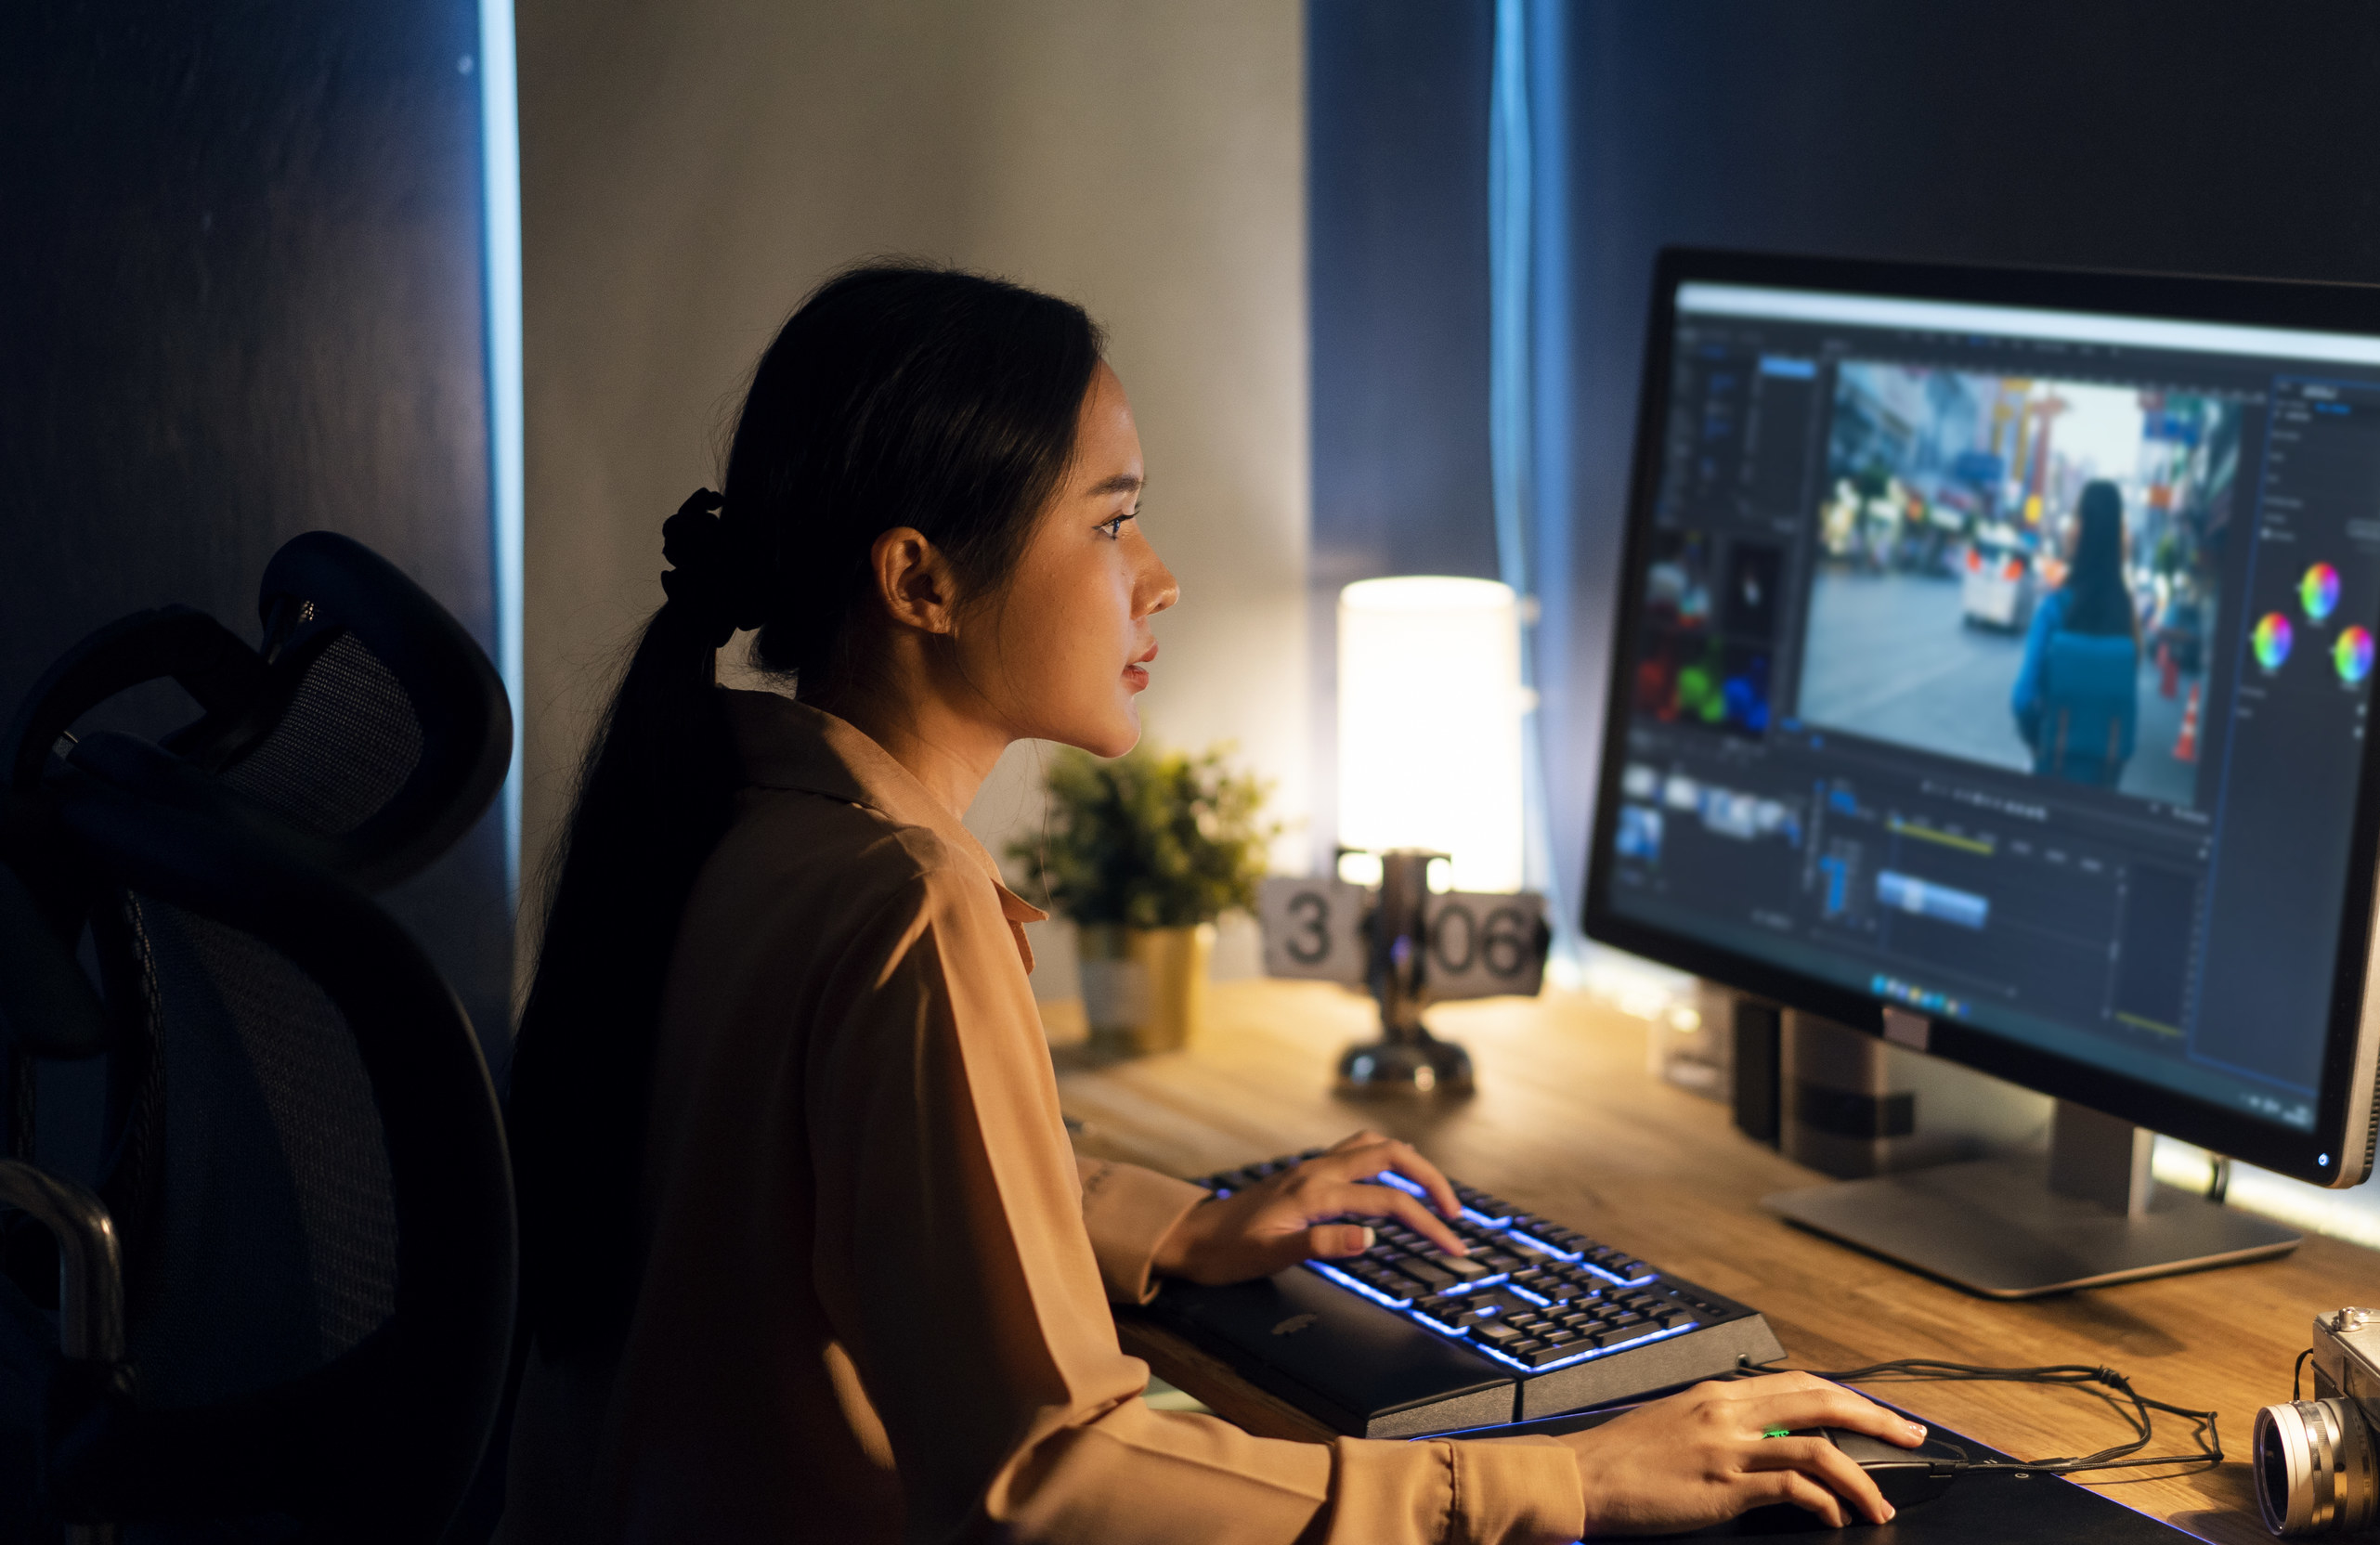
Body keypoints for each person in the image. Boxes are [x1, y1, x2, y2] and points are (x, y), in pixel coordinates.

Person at [500, 263, 1923, 1543]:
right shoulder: (903, 905)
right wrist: (1566, 1479)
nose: (1159, 580)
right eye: (1113, 522)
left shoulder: (739, 816)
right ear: (919, 580)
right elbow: (1047, 1484)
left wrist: (1171, 1227)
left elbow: (869, 1190)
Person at [2010, 478, 2142, 786]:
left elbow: (2022, 699)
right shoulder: (2128, 615)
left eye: (2077, 517)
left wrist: (2040, 738)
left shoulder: (2054, 609)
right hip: (2104, 782)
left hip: (2051, 769)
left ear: (2084, 531)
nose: (2070, 528)